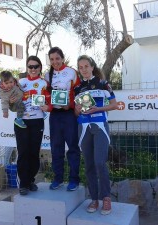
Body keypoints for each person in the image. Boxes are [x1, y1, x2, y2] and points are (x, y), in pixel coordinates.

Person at [74, 55, 117, 215]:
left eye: (86, 66)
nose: (84, 69)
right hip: (83, 128)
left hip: (100, 126)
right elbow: (76, 112)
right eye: (81, 67)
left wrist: (97, 109)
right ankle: (94, 199)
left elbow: (114, 105)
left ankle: (106, 197)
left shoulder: (103, 84)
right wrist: (77, 109)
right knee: (89, 165)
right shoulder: (77, 88)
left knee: (100, 162)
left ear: (92, 67)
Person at [9, 55, 53, 195]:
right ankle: (23, 183)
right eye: (30, 67)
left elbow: (50, 101)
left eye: (36, 66)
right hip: (22, 122)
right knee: (23, 153)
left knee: (34, 153)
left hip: (37, 120)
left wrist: (47, 107)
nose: (33, 69)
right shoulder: (19, 83)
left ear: (40, 68)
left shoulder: (45, 83)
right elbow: (12, 107)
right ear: (27, 68)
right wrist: (11, 101)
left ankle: (31, 180)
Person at [44, 47, 81, 191]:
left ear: (62, 58)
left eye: (57, 58)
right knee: (56, 148)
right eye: (52, 59)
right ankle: (58, 178)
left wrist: (70, 105)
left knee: (72, 147)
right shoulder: (48, 75)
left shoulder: (72, 72)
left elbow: (78, 92)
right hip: (55, 115)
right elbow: (46, 95)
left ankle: (74, 180)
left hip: (69, 114)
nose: (55, 62)